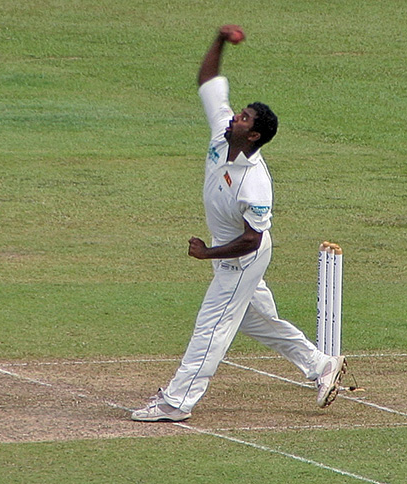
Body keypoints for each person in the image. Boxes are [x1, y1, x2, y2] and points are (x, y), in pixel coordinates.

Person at [131, 25, 346, 422]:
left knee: (212, 325)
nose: (236, 118)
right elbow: (208, 81)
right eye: (239, 113)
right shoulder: (222, 132)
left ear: (256, 135)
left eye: (244, 118)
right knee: (256, 321)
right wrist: (217, 38)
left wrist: (208, 254)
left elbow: (251, 239)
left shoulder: (256, 182)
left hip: (241, 257)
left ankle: (177, 402)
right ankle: (321, 366)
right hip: (227, 248)